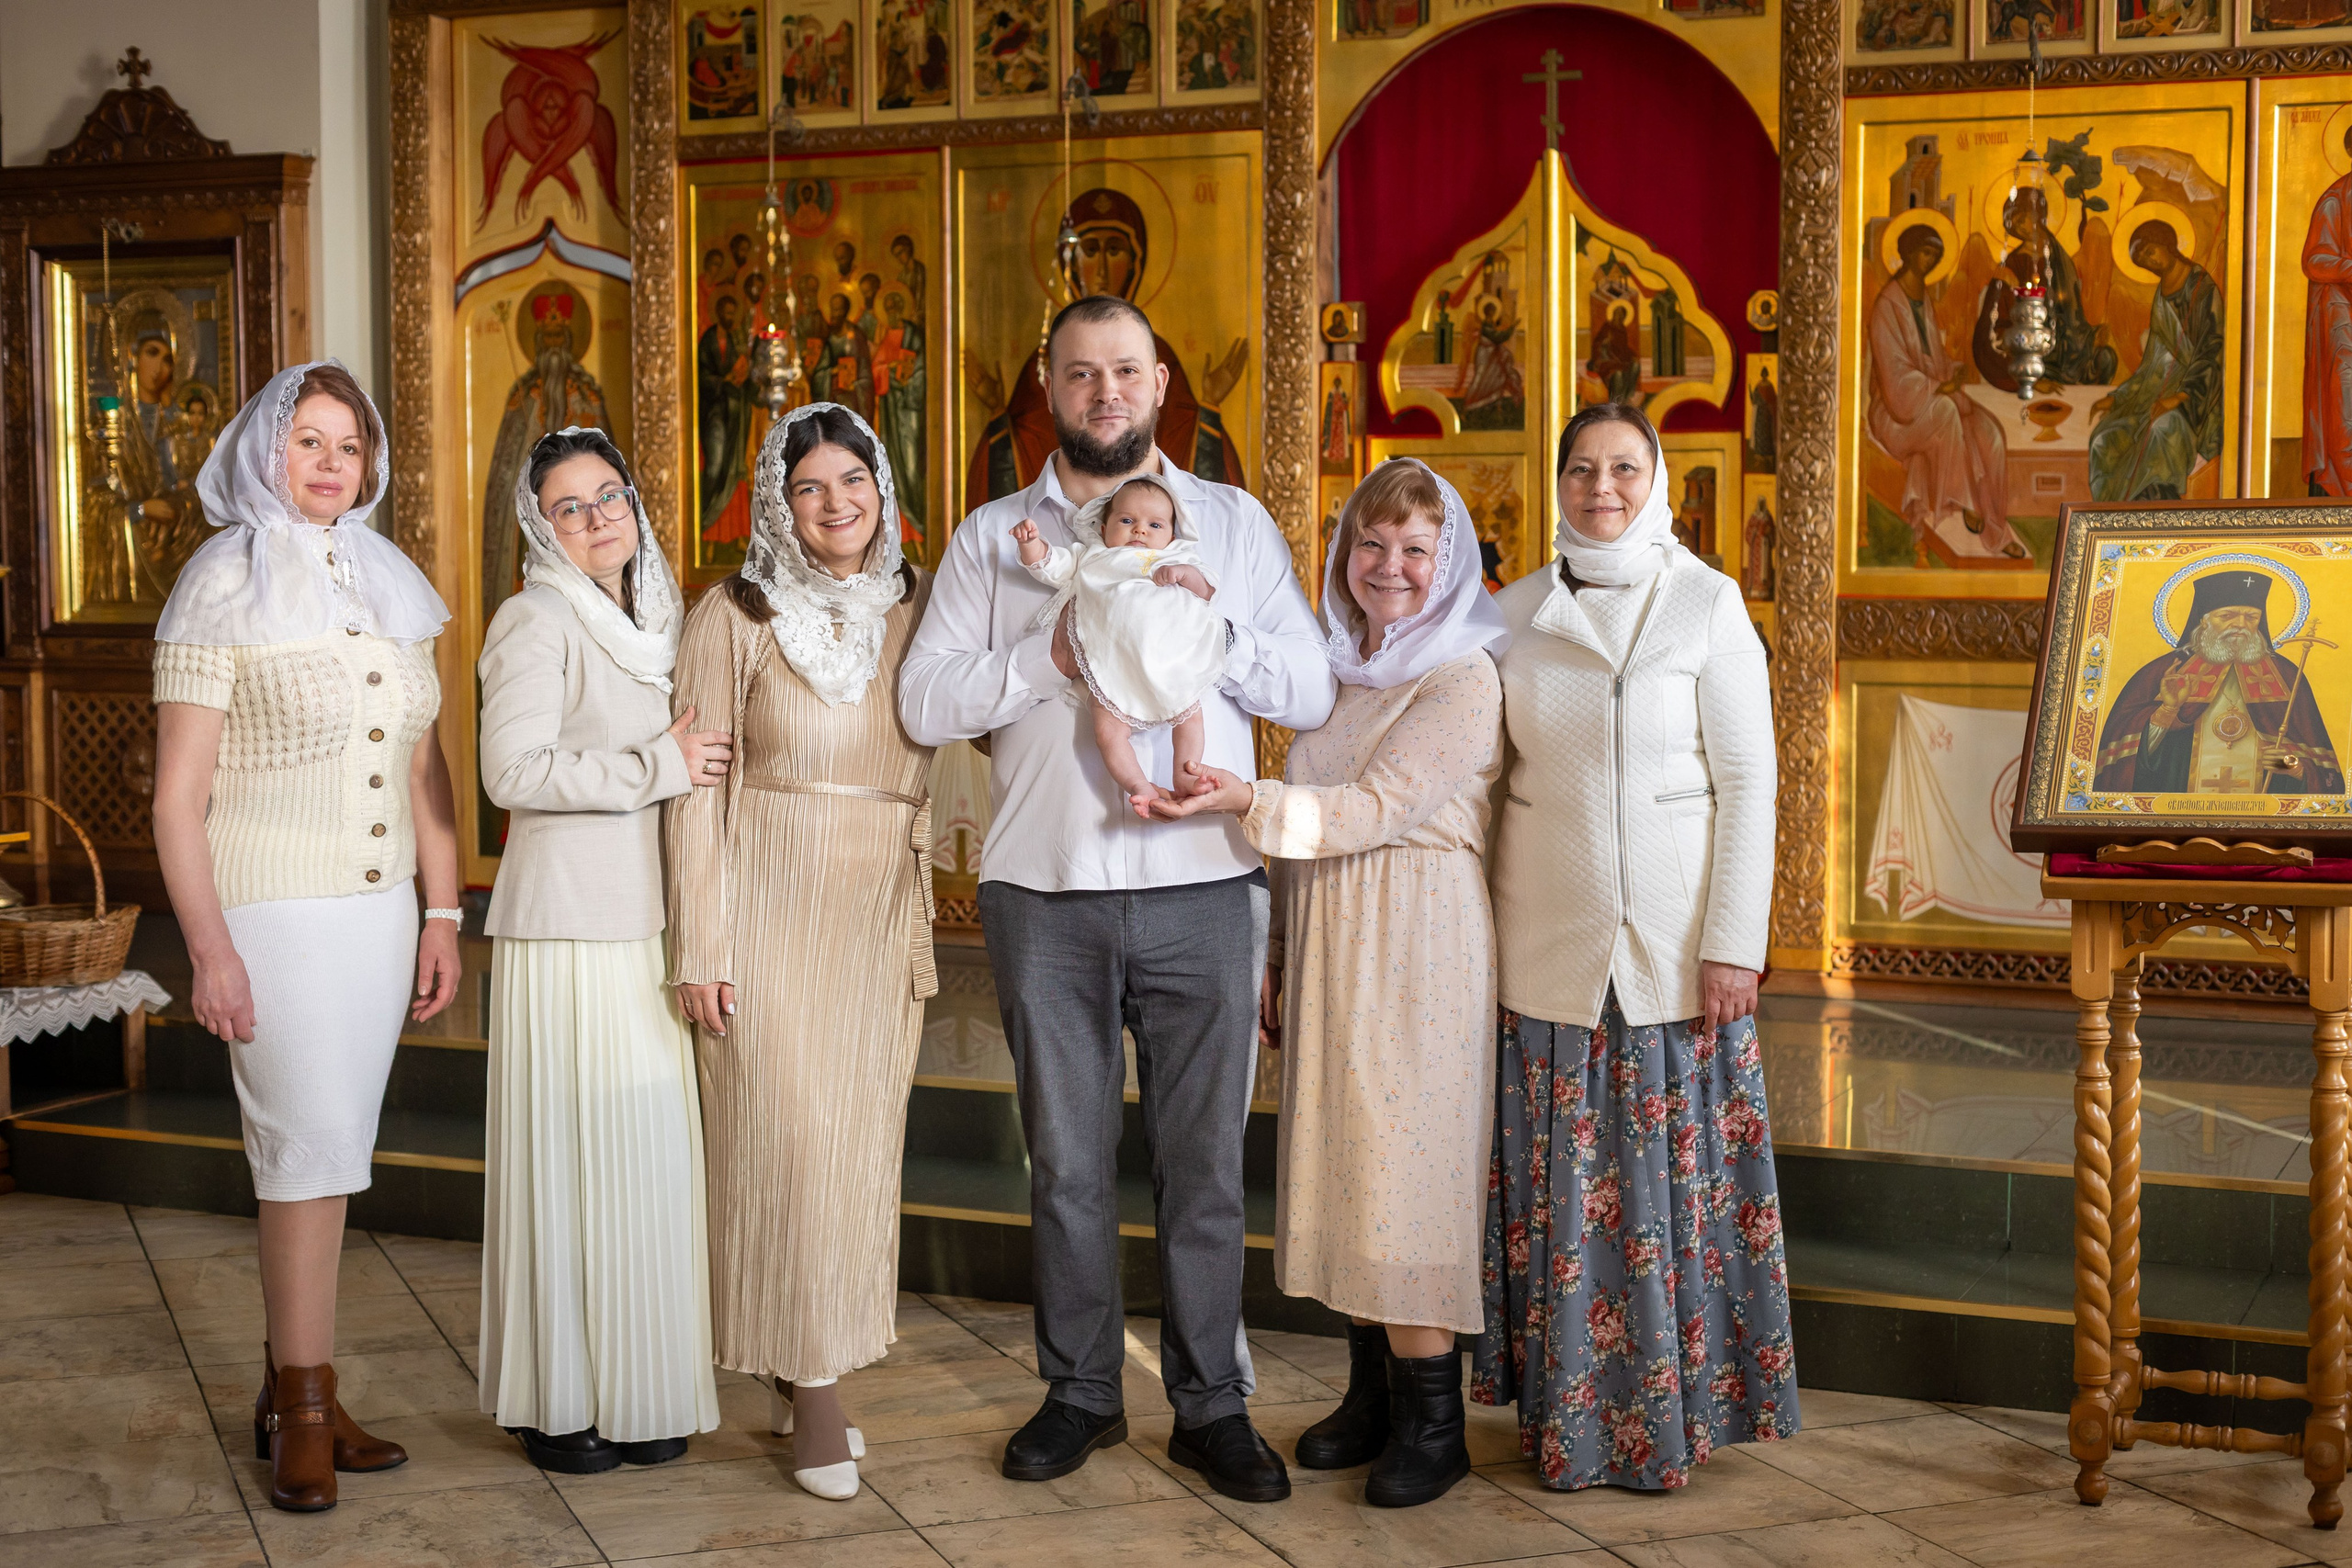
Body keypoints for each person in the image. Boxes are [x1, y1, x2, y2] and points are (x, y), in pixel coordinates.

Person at [899, 295, 1334, 1504]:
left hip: (1205, 887)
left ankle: (1212, 1402)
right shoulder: (997, 539)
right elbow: (924, 704)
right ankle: (1083, 1389)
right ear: (1047, 383)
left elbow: (1304, 684)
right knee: (1069, 1162)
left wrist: (1204, 631)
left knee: (1201, 1165)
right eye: (1081, 373)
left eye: (1126, 371)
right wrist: (1046, 658)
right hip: (1045, 890)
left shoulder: (1233, 527)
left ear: (1159, 382)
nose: (1105, 393)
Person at [1149, 457, 1510, 1507]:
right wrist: (1273, 952)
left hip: (1417, 935)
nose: (1388, 567)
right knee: (1349, 1159)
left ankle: (1434, 1422)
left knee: (1408, 1171)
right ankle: (1374, 1397)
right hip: (1328, 931)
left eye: (1414, 549)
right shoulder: (1339, 666)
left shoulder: (1461, 673)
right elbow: (1310, 834)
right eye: (1370, 542)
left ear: (1448, 564)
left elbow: (1372, 808)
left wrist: (1238, 798)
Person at [151, 361, 460, 1513]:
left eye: (351, 446)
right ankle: (306, 1408)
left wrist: (440, 910)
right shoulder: (218, 584)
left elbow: (424, 769)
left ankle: (298, 1394)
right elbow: (178, 801)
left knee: (334, 1163)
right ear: (265, 451)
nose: (333, 465)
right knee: (304, 1156)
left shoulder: (386, 578)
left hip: (380, 913)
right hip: (270, 914)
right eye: (310, 442)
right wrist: (212, 950)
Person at [1472, 402, 1793, 1492]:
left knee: (1671, 1198)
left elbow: (1749, 782)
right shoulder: (1508, 615)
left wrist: (1733, 944)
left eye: (1621, 468)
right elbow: (1482, 786)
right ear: (1552, 482)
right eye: (1579, 469)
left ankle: (1677, 1421)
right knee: (1568, 1198)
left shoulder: (1707, 601)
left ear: (1657, 480)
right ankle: (1567, 1424)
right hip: (1546, 952)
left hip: (1673, 955)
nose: (1598, 488)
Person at [666, 402, 936, 1503]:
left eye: (852, 481)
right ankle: (816, 1395)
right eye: (809, 486)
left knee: (858, 1147)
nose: (835, 505)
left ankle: (800, 1362)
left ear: (882, 487)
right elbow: (693, 793)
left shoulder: (920, 608)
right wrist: (701, 941)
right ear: (778, 498)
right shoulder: (730, 614)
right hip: (766, 893)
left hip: (878, 905)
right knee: (789, 1145)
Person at [475, 427, 730, 1474]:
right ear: (541, 525)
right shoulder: (533, 619)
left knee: (645, 1163)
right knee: (570, 1167)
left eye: (609, 496)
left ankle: (638, 1387)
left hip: (649, 921)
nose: (597, 519)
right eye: (570, 507)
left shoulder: (662, 620)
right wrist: (654, 764)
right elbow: (512, 771)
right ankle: (559, 1396)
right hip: (566, 926)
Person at [1011, 472, 1221, 814]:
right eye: (1127, 520)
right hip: (1110, 664)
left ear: (1172, 534)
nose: (1140, 530)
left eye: (1155, 525)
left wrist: (1185, 574)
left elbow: (1208, 590)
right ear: (1104, 528)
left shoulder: (1173, 556)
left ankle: (1187, 774)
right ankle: (1138, 785)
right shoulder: (1091, 556)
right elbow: (1050, 566)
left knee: (1190, 719)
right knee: (1108, 733)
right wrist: (1032, 545)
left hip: (1171, 661)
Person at [2092, 568, 2342, 795]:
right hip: (2179, 805)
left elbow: (2319, 767)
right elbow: (2125, 761)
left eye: (2251, 617)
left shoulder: (2287, 676)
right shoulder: (2166, 671)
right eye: (2228, 615)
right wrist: (2168, 710)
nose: (2241, 625)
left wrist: (2294, 768)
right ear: (2205, 620)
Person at [1865, 221, 2020, 559]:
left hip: (1928, 401)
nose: (1930, 261)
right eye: (1925, 253)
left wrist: (1951, 370)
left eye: (1935, 255)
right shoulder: (1886, 307)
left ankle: (1996, 527)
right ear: (1906, 254)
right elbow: (1895, 375)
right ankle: (1964, 503)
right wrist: (1939, 386)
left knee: (1990, 432)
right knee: (1949, 413)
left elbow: (1929, 360)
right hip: (1895, 413)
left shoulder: (1924, 301)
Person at [2088, 220, 2223, 502]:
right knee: (2105, 437)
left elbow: (2213, 350)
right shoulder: (2162, 295)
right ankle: (2111, 519)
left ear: (2167, 243)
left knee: (2161, 430)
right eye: (2141, 260)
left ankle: (2158, 512)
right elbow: (2154, 362)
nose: (2147, 262)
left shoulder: (2201, 288)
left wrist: (2181, 397)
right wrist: (2119, 397)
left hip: (2200, 400)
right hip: (2161, 392)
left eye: (2149, 252)